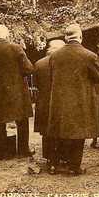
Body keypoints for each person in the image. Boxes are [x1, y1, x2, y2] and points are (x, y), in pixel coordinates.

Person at [47, 23, 99, 175]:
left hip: (60, 100)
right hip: (80, 100)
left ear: (65, 37)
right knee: (78, 134)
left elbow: (51, 76)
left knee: (59, 131)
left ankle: (54, 165)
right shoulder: (89, 56)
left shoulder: (54, 56)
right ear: (80, 36)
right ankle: (74, 167)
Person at [0, 24, 34, 158]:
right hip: (17, 92)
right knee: (22, 121)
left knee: (0, 121)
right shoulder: (15, 48)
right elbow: (28, 69)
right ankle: (23, 150)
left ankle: (2, 152)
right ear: (6, 35)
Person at [33, 39, 65, 170]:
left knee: (46, 132)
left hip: (43, 102)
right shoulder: (63, 63)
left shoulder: (39, 63)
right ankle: (62, 157)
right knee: (60, 131)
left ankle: (50, 160)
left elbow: (36, 84)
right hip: (60, 102)